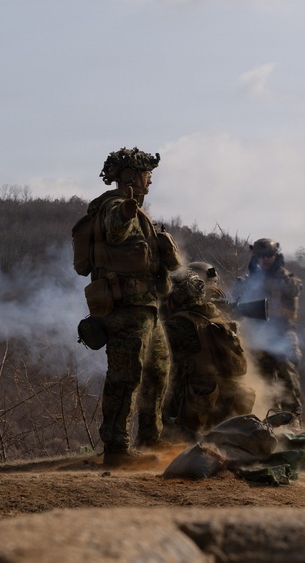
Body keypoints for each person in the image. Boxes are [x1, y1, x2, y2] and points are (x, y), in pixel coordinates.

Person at [79, 147, 182, 467]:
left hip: (146, 307)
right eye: (147, 175)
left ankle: (150, 436)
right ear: (133, 177)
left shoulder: (136, 210)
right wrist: (126, 210)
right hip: (127, 310)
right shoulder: (115, 207)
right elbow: (115, 229)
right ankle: (116, 445)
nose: (150, 181)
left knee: (158, 371)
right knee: (126, 377)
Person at [162, 269, 255, 442]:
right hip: (232, 401)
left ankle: (168, 440)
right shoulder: (220, 317)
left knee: (156, 386)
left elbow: (161, 362)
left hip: (198, 402)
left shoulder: (178, 323)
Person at [233, 238, 304, 422]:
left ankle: (294, 420)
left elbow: (296, 286)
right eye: (260, 256)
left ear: (275, 255)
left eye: (269, 255)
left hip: (282, 333)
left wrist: (275, 281)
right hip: (258, 335)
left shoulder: (285, 277)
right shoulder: (250, 278)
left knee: (287, 378)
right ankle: (269, 421)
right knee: (263, 381)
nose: (265, 259)